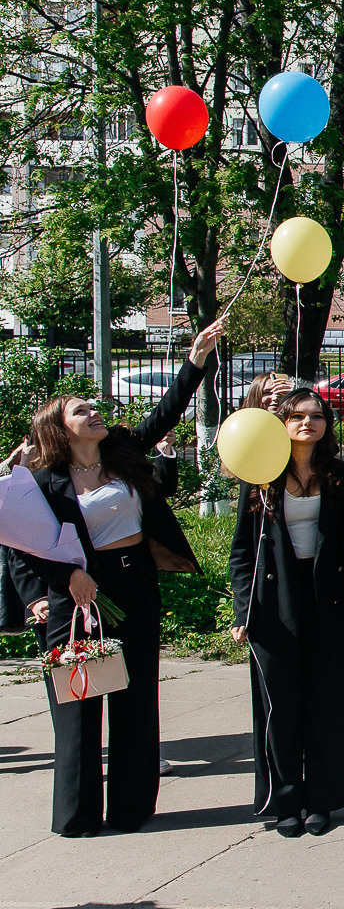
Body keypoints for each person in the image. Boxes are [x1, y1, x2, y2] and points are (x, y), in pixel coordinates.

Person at [11, 319, 222, 836]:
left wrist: (196, 360)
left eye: (93, 406)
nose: (95, 412)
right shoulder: (40, 482)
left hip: (134, 581)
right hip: (77, 594)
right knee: (78, 701)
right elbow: (18, 539)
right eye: (81, 410)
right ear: (60, 428)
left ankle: (131, 808)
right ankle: (78, 815)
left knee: (135, 696)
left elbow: (164, 414)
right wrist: (65, 580)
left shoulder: (123, 451)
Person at [228, 387, 344, 837]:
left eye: (317, 416)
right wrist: (241, 611)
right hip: (274, 603)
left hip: (330, 600)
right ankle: (284, 801)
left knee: (328, 703)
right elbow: (242, 552)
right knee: (279, 707)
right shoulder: (261, 476)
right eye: (298, 416)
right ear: (281, 423)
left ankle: (322, 799)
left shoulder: (342, 476)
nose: (308, 423)